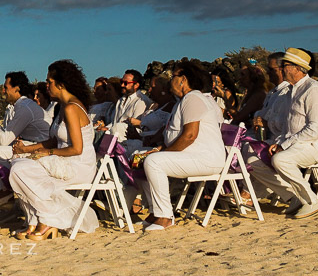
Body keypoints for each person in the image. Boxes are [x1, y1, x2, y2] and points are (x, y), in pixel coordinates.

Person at [8, 59, 99, 240]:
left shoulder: (72, 107)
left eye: (49, 82)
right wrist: (28, 149)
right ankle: (37, 220)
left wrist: (46, 154)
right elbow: (53, 141)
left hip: (78, 165)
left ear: (61, 84)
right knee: (18, 164)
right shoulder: (62, 107)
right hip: (64, 160)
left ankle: (47, 219)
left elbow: (76, 149)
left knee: (20, 170)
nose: (46, 85)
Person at [139, 61, 227, 231]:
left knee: (153, 162)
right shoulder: (184, 100)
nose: (170, 80)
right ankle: (155, 212)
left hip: (205, 158)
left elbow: (189, 135)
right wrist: (160, 148)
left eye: (173, 77)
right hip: (194, 155)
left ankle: (165, 217)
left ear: (183, 79)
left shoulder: (193, 97)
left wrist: (164, 152)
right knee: (142, 156)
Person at [247, 48, 318, 220]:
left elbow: (314, 128)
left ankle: (311, 201)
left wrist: (283, 145)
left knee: (281, 159)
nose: (282, 69)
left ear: (298, 68)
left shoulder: (313, 90)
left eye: (285, 65)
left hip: (315, 145)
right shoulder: (291, 91)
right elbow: (287, 126)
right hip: (296, 144)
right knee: (253, 161)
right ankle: (294, 197)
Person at [0, 71, 50, 152]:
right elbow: (6, 136)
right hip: (34, 144)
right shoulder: (22, 105)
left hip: (43, 147)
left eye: (6, 88)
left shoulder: (25, 108)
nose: (3, 91)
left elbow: (4, 141)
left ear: (17, 88)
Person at [106, 69, 154, 140]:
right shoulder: (120, 100)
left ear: (136, 85)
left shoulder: (141, 101)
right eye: (121, 82)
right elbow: (115, 122)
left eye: (125, 83)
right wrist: (105, 127)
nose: (122, 85)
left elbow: (135, 127)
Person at [230, 62, 272, 128]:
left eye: (243, 75)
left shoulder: (258, 95)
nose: (240, 78)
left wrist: (229, 104)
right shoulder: (249, 94)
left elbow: (239, 117)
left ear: (252, 77)